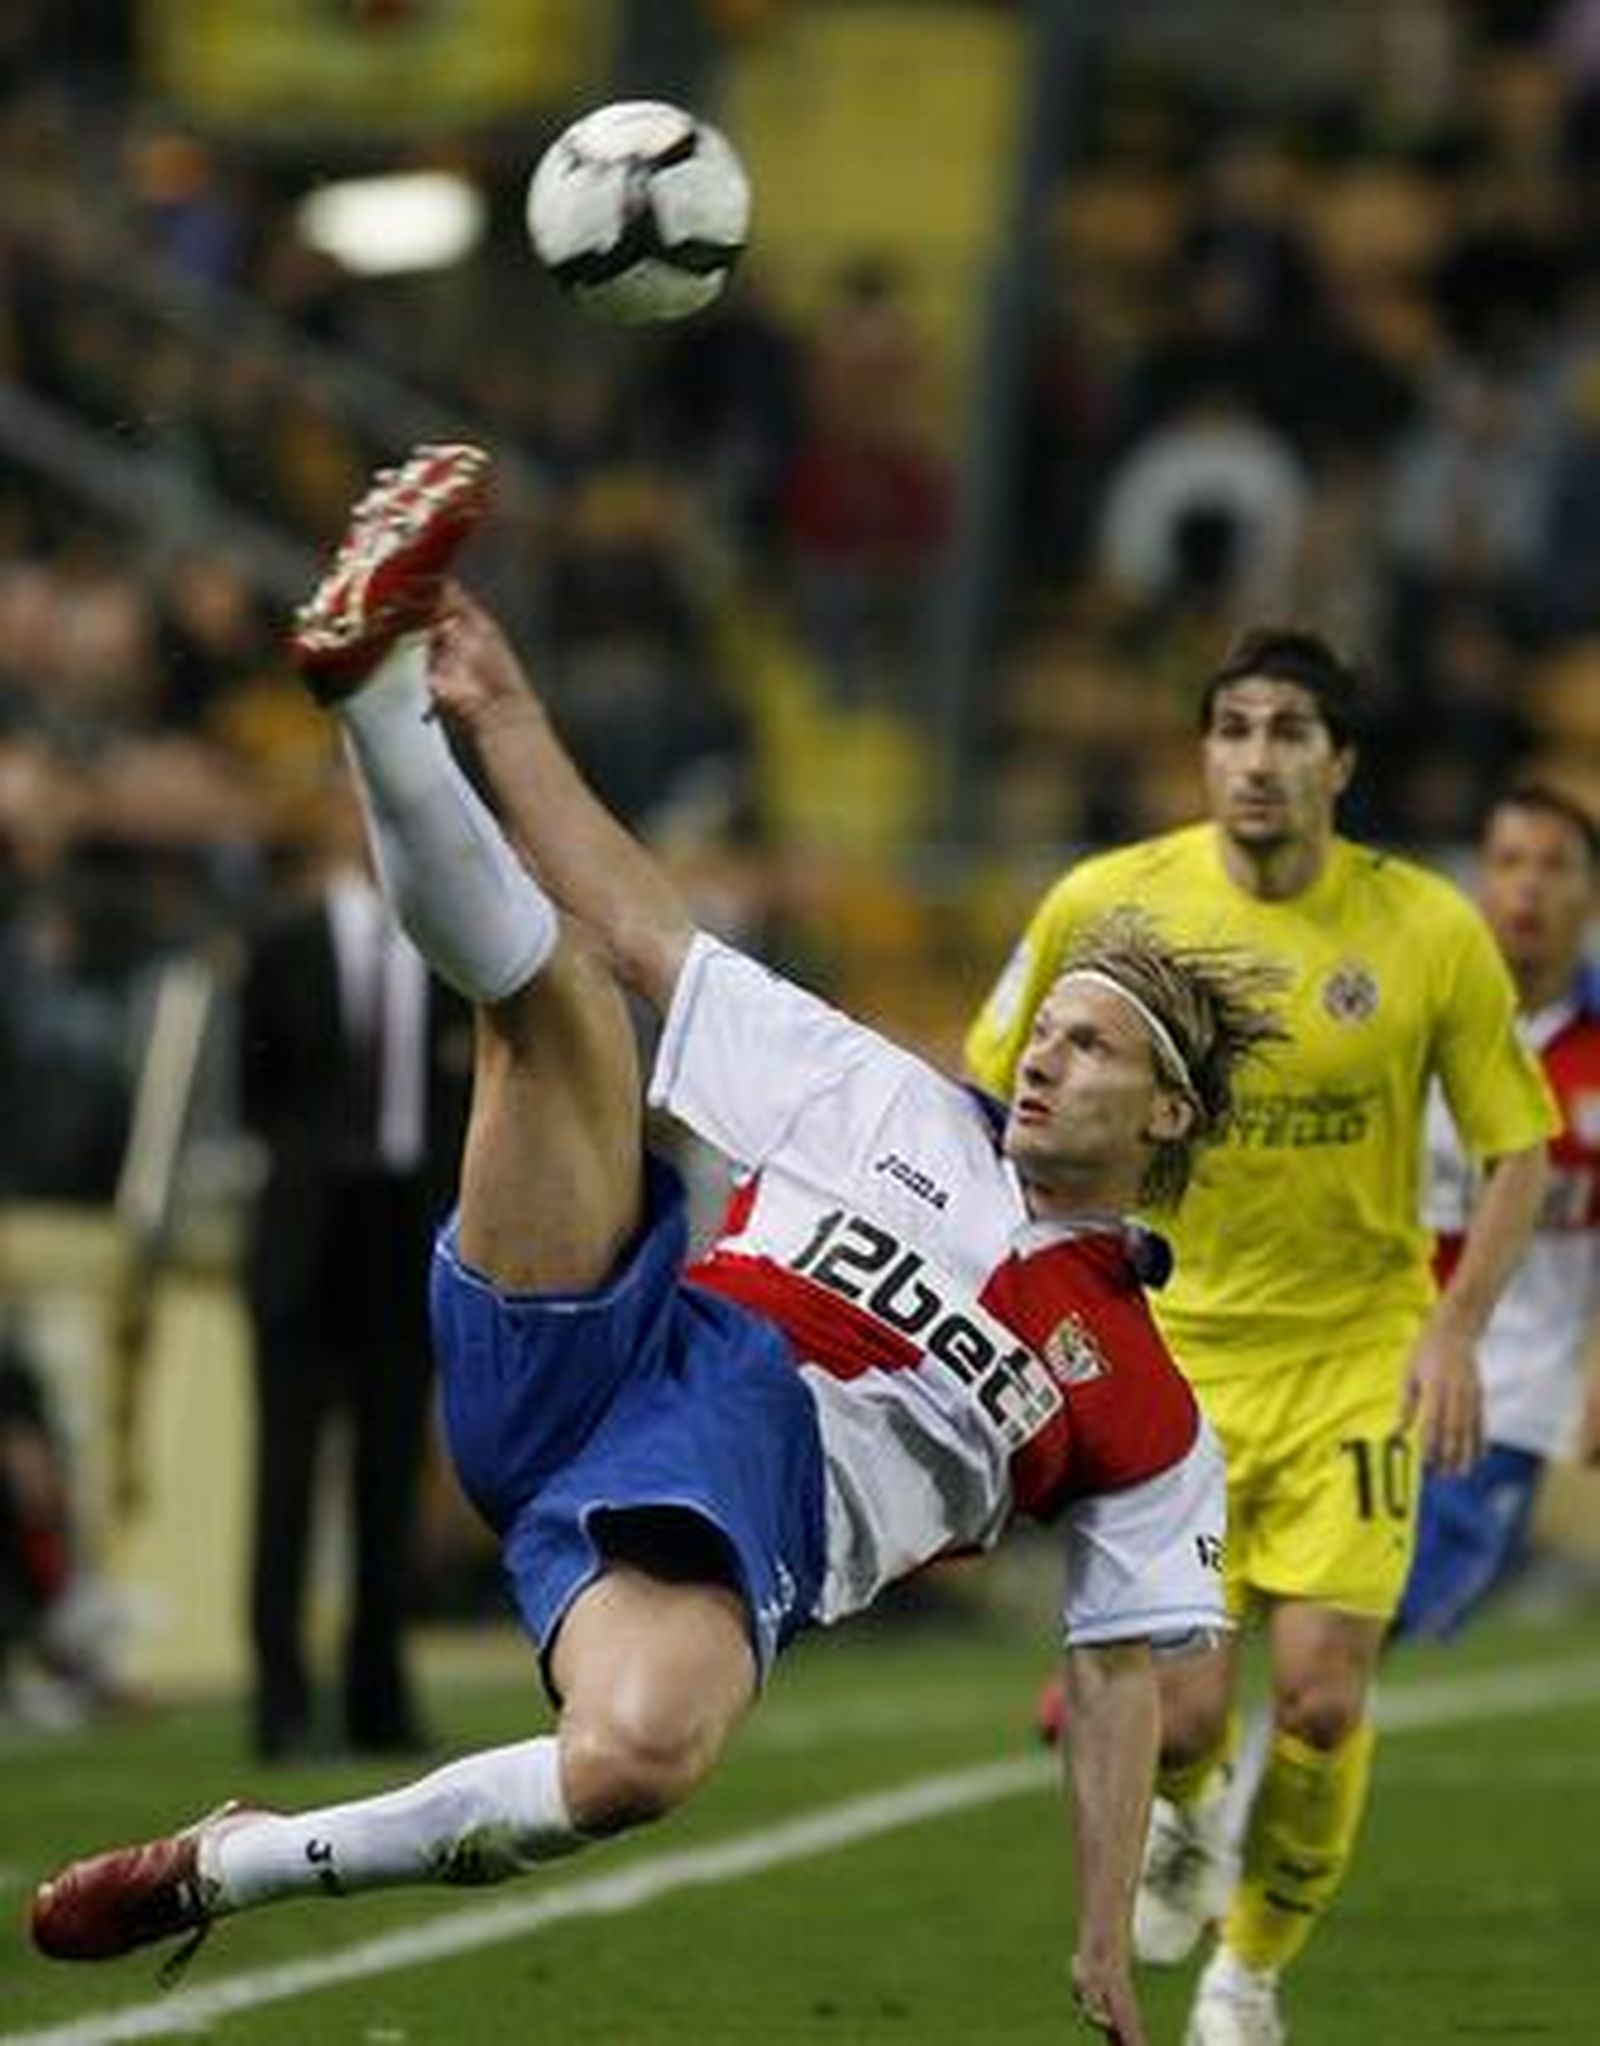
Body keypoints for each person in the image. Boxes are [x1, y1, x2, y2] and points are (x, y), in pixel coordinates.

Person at [30, 445, 1290, 2046]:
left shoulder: (1152, 1411)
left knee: (636, 1762)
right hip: (622, 1336)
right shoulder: (890, 1099)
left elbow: (1120, 1677)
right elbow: (650, 932)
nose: (1043, 1058)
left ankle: (236, 1862)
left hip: (730, 1517)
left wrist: (1104, 1932)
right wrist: (502, 711)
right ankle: (375, 698)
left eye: (1094, 1049)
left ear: (1170, 1116)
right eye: (1046, 1030)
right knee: (558, 999)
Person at [965, 627, 1555, 2046]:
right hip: (1175, 1359)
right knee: (1176, 1718)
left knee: (1327, 1699)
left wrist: (1459, 1328)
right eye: (1233, 726)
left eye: (1291, 729)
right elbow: (993, 1099)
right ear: (1205, 750)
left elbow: (1517, 1145)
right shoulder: (1111, 903)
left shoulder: (1427, 928)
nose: (1257, 757)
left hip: (1359, 1358)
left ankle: (1250, 1971)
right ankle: (1180, 1812)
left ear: (1340, 762)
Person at [237, 775, 469, 1759]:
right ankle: (281, 1699)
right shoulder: (281, 946)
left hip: (403, 1236)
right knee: (285, 1478)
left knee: (386, 1479)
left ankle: (379, 1694)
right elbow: (256, 1095)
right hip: (304, 1239)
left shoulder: (447, 958)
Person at [1395, 782, 1600, 1638]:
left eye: (1554, 866)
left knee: (1398, 1613)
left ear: (1589, 894)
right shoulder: (1414, 1017)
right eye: (1510, 863)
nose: (1529, 888)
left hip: (1510, 1393)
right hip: (1356, 1360)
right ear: (1480, 881)